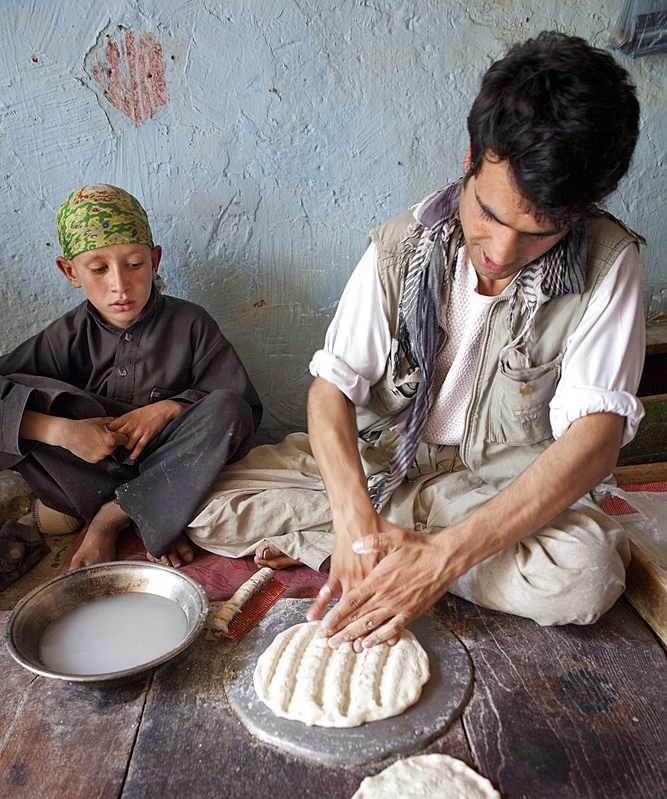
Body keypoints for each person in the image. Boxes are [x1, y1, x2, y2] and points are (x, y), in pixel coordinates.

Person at [187, 32, 646, 649]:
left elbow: (595, 443)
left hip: (492, 493)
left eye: (538, 233)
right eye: (489, 213)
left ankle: (415, 560)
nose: (502, 252)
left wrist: (448, 555)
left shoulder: (607, 263)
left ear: (578, 209)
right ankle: (390, 549)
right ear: (471, 158)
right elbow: (332, 389)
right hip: (384, 466)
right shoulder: (403, 243)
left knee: (584, 576)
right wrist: (352, 516)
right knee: (200, 504)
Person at [0, 184, 261, 568]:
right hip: (86, 475)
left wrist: (170, 409)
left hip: (169, 465)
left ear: (154, 261)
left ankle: (112, 518)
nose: (119, 285)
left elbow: (242, 409)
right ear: (70, 271)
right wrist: (61, 432)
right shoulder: (65, 337)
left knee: (227, 408)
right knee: (27, 397)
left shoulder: (190, 323)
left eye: (134, 264)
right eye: (98, 268)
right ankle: (152, 510)